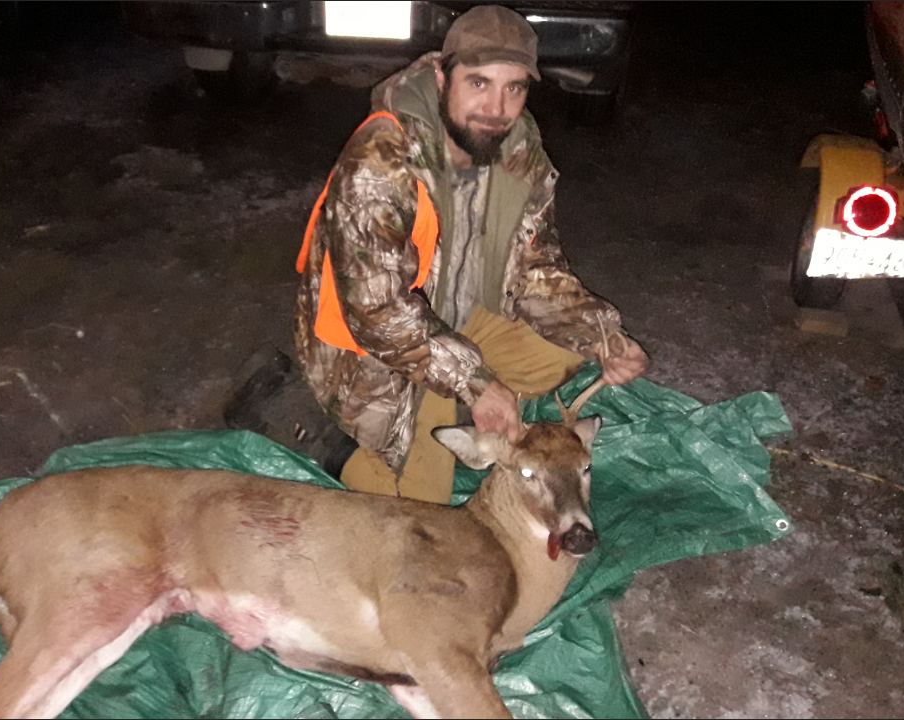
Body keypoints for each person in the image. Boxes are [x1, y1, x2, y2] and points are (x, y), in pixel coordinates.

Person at [255, 5, 647, 502]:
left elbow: (536, 267)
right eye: (478, 83)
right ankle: (317, 433)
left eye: (514, 88)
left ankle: (461, 409)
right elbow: (377, 314)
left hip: (457, 322)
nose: (496, 107)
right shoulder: (381, 160)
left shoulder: (519, 151)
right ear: (442, 78)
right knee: (423, 509)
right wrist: (475, 382)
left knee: (563, 356)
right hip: (368, 349)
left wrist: (602, 335)